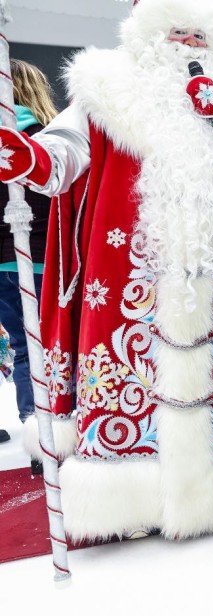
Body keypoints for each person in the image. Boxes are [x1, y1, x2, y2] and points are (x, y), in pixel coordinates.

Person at [0, 0, 213, 541]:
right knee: (132, 382)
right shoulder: (106, 88)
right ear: (148, 33)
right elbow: (64, 155)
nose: (191, 44)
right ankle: (130, 502)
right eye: (180, 33)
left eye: (201, 36)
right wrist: (29, 158)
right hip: (130, 275)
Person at [0, 59, 57, 433]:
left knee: (22, 349)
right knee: (49, 350)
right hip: (41, 262)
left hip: (2, 265)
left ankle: (37, 435)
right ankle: (51, 433)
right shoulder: (48, 142)